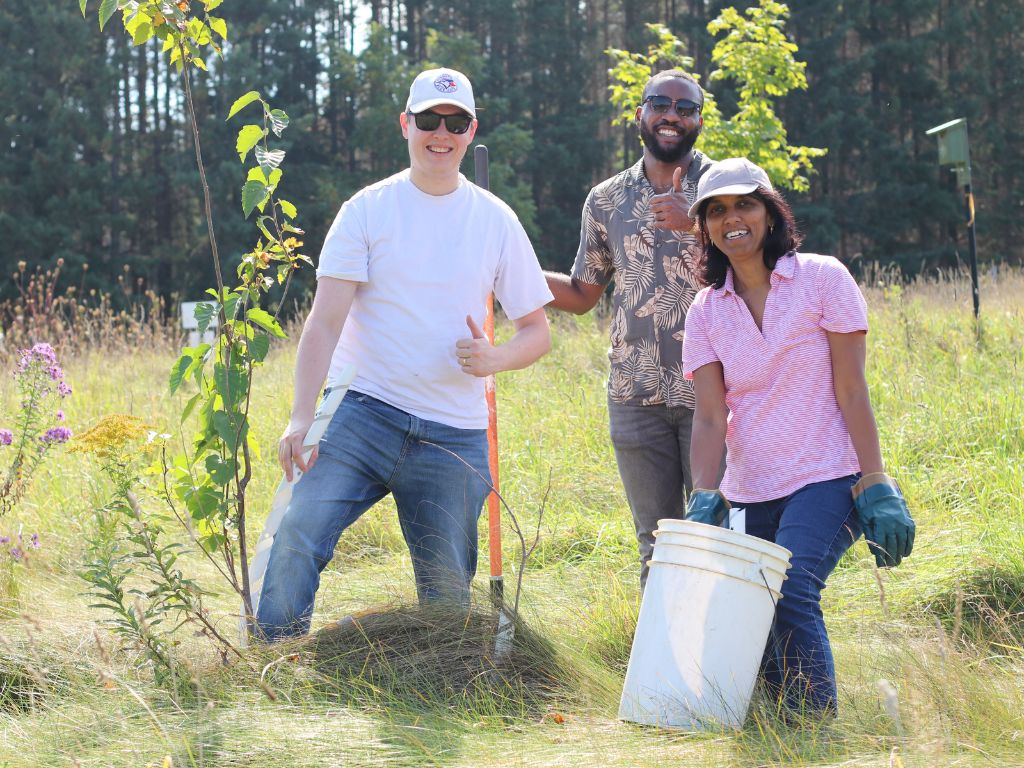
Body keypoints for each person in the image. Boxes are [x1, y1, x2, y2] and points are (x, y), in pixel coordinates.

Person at [255, 68, 553, 641]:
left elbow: (537, 332)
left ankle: (432, 697)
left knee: (446, 600)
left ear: (471, 131)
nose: (440, 134)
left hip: (454, 435)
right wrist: (300, 417)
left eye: (455, 122)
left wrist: (495, 359)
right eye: (428, 121)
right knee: (296, 532)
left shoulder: (495, 219)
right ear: (405, 124)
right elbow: (323, 324)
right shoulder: (367, 210)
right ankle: (272, 666)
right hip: (362, 413)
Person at [681, 157, 916, 715]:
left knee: (789, 588)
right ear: (706, 229)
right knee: (749, 604)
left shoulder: (822, 278)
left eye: (744, 204)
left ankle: (814, 723)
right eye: (716, 211)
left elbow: (852, 389)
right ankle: (771, 718)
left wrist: (876, 479)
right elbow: (711, 416)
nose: (731, 219)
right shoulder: (706, 310)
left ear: (768, 212)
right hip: (753, 483)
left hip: (827, 472)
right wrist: (704, 492)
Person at [545, 70, 715, 588]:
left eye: (684, 108)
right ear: (639, 114)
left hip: (717, 396)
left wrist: (700, 220)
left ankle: (738, 664)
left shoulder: (728, 186)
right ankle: (661, 669)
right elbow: (582, 293)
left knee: (723, 535)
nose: (671, 116)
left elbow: (771, 266)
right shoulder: (606, 199)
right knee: (657, 544)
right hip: (634, 395)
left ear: (699, 121)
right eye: (659, 104)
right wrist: (506, 273)